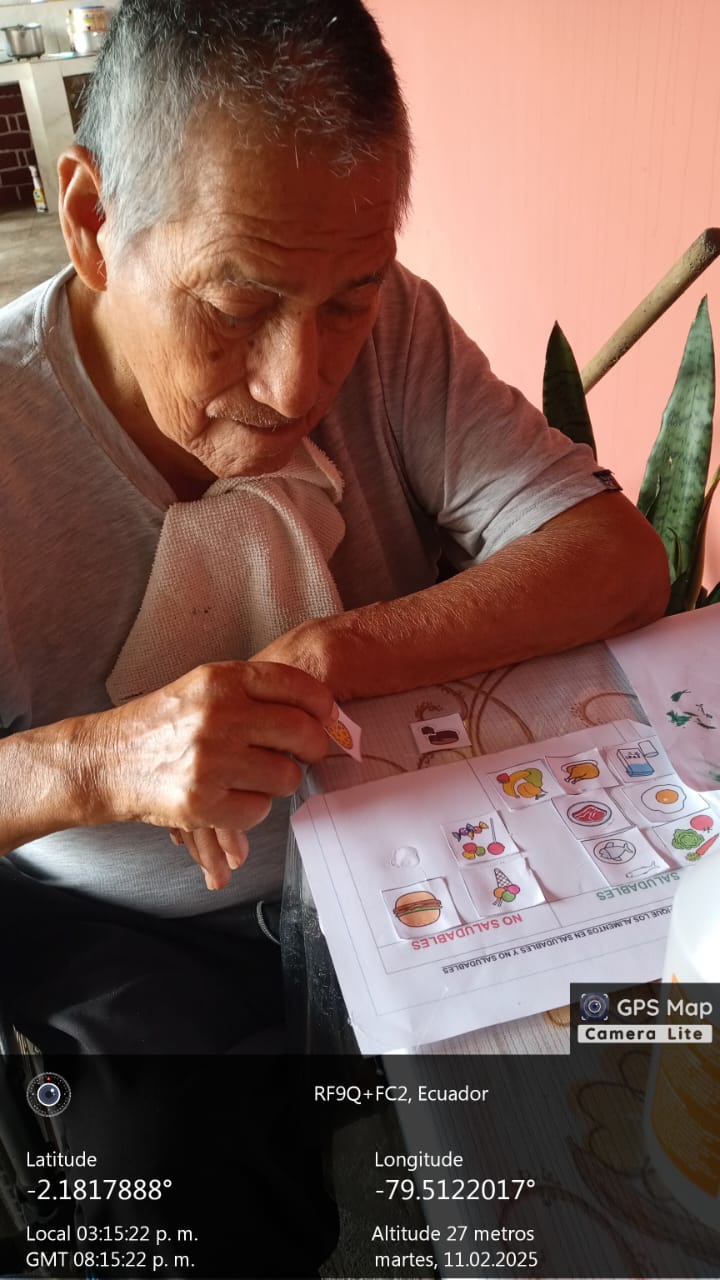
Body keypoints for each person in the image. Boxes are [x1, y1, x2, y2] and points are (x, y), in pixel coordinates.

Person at [0, 0, 668, 1273]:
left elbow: (617, 556)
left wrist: (334, 651)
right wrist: (94, 761)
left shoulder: (398, 327)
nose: (300, 381)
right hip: (137, 921)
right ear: (89, 219)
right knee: (178, 1177)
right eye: (235, 303)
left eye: (347, 300)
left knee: (625, 1066)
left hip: (406, 842)